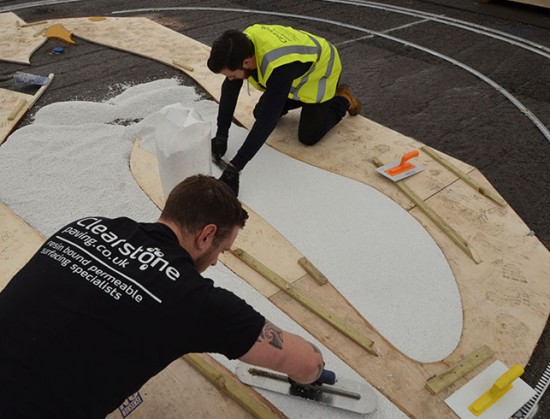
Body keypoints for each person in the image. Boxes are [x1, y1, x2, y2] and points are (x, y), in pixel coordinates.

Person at [0, 175, 324, 419]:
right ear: (206, 234)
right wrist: (312, 376)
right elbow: (305, 362)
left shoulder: (84, 227)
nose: (214, 262)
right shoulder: (192, 301)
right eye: (220, 251)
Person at [208, 24, 361, 196]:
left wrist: (236, 166)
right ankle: (300, 100)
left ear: (247, 62)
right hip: (294, 75)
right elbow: (230, 90)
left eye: (232, 75)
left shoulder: (280, 67)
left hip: (321, 72)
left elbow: (267, 121)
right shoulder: (240, 45)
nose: (230, 79)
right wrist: (221, 135)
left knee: (308, 136)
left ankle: (342, 99)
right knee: (259, 112)